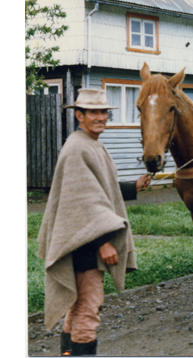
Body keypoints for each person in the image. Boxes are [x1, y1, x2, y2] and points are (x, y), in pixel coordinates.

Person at [36, 89, 153, 356]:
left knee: (76, 306)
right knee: (90, 307)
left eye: (104, 112)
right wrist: (103, 243)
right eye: (94, 112)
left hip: (79, 237)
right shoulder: (78, 148)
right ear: (79, 115)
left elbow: (100, 189)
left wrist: (132, 186)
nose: (101, 117)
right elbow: (84, 202)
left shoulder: (90, 143)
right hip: (86, 242)